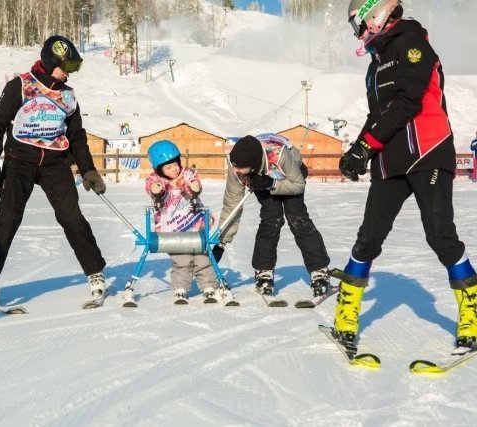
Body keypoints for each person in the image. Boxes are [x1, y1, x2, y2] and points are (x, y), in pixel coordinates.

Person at [335, 0, 477, 349]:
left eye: (360, 24)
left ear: (377, 15)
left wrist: (367, 145)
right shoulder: (375, 66)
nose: (360, 33)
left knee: (441, 236)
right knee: (368, 238)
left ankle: (472, 315)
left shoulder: (413, 45)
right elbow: (377, 115)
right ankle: (346, 314)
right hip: (390, 161)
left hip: (427, 152)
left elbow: (408, 102)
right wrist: (357, 150)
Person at [0, 35, 108, 304]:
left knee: (72, 217)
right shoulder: (20, 86)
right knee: (9, 216)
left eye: (73, 68)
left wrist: (88, 170)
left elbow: (77, 136)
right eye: (65, 67)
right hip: (19, 160)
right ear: (49, 62)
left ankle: (95, 272)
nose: (68, 74)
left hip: (56, 163)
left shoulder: (68, 96)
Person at [214, 133, 331, 298]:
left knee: (297, 218)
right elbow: (232, 204)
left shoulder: (280, 154)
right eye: (234, 165)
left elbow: (298, 185)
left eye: (239, 167)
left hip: (290, 175)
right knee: (271, 219)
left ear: (252, 165)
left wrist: (272, 183)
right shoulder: (237, 166)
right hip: (262, 179)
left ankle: (319, 270)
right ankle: (264, 271)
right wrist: (221, 242)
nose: (235, 170)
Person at [145, 140, 219, 303]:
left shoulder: (187, 174)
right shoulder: (157, 179)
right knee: (182, 259)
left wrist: (195, 186)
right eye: (168, 167)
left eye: (175, 164)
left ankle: (208, 286)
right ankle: (180, 288)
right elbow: (152, 187)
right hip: (172, 228)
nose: (174, 169)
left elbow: (196, 184)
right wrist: (155, 189)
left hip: (195, 222)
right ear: (160, 169)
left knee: (202, 256)